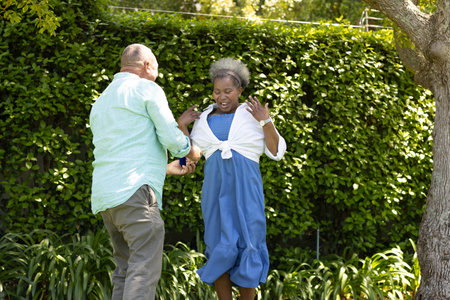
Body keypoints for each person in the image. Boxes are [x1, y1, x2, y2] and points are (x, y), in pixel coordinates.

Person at [89, 43, 201, 300]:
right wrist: (188, 149)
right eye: (157, 69)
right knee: (142, 271)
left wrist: (165, 170)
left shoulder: (102, 99)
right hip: (136, 197)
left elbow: (122, 151)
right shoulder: (146, 88)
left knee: (125, 270)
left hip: (108, 200)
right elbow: (173, 141)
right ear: (148, 66)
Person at [190, 58, 287, 299]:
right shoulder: (202, 119)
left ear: (240, 90)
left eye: (228, 91)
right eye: (217, 91)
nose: (221, 96)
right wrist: (182, 127)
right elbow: (190, 157)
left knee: (249, 246)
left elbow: (276, 152)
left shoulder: (252, 115)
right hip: (215, 194)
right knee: (220, 248)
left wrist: (266, 120)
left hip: (247, 194)